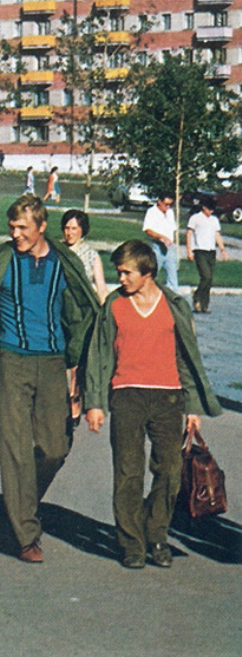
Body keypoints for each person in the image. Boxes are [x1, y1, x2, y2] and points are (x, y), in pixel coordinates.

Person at [0, 194, 99, 563]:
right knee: (14, 446)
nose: (16, 234)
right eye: (12, 227)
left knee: (56, 448)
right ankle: (25, 533)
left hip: (53, 362)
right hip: (12, 360)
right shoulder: (0, 261)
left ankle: (19, 504)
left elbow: (80, 314)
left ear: (42, 227)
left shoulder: (63, 262)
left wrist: (78, 368)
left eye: (23, 227)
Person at [84, 240, 222, 568]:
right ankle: (131, 543)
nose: (121, 279)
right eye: (118, 272)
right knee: (128, 472)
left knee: (170, 471)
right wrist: (95, 402)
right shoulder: (114, 304)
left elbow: (187, 358)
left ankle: (156, 533)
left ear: (147, 272)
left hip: (168, 397)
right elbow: (99, 354)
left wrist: (192, 408)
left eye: (126, 272)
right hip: (127, 395)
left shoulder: (173, 305)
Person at [186, 196, 226, 313]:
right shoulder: (195, 218)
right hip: (200, 250)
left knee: (209, 279)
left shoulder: (214, 220)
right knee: (205, 276)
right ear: (203, 207)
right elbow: (189, 234)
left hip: (211, 251)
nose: (211, 212)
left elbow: (217, 235)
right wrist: (189, 250)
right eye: (209, 209)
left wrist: (222, 249)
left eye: (212, 210)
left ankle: (204, 304)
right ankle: (197, 297)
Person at [61, 209, 109, 303]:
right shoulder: (56, 250)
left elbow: (101, 289)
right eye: (67, 228)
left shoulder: (92, 255)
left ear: (82, 230)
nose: (69, 233)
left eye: (74, 228)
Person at [142, 193, 178, 291]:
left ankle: (173, 296)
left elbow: (172, 229)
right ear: (159, 202)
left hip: (170, 248)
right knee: (152, 274)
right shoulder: (152, 212)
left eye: (170, 204)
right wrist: (162, 237)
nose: (168, 207)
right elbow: (148, 230)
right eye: (166, 204)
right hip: (157, 247)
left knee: (173, 277)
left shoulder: (170, 212)